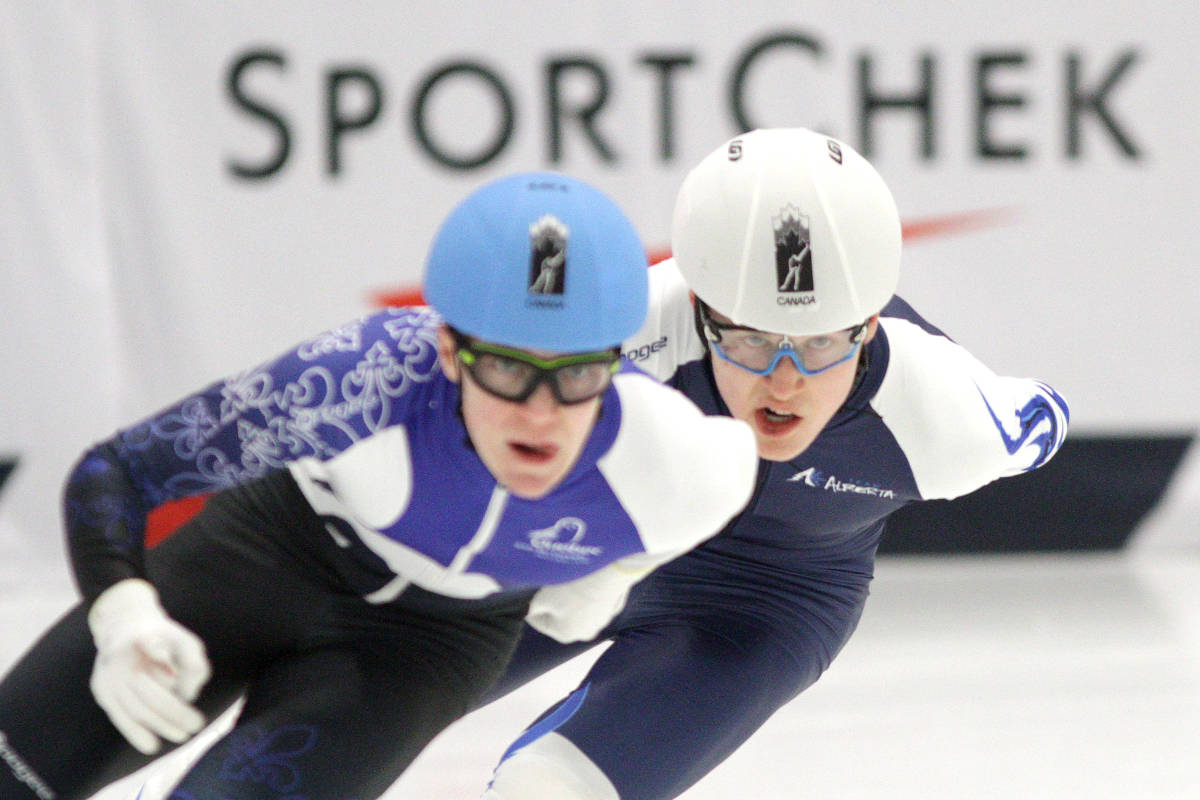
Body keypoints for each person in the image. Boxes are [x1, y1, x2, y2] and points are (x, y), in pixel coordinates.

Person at [0, 172, 759, 799]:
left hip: (424, 647)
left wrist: (620, 565)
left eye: (578, 374)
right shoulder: (362, 381)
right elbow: (119, 471)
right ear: (447, 347)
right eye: (505, 368)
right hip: (267, 557)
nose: (541, 412)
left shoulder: (672, 457)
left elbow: (714, 492)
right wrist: (121, 612)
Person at [481, 129, 1070, 800]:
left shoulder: (947, 418)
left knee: (550, 789)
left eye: (820, 343)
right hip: (591, 534)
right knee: (353, 684)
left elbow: (1041, 417)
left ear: (869, 325)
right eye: (752, 339)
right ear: (702, 313)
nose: (784, 382)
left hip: (763, 608)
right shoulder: (621, 330)